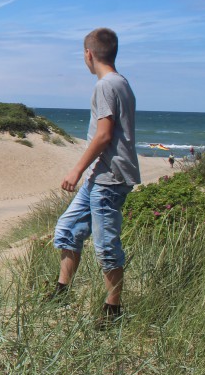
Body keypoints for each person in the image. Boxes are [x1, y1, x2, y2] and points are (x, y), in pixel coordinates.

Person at [51, 28, 140, 326]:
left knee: (106, 246)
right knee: (68, 228)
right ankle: (61, 292)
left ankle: (113, 310)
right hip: (99, 176)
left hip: (108, 177)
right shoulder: (122, 83)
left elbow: (103, 135)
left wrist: (76, 169)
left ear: (88, 54)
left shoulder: (105, 86)